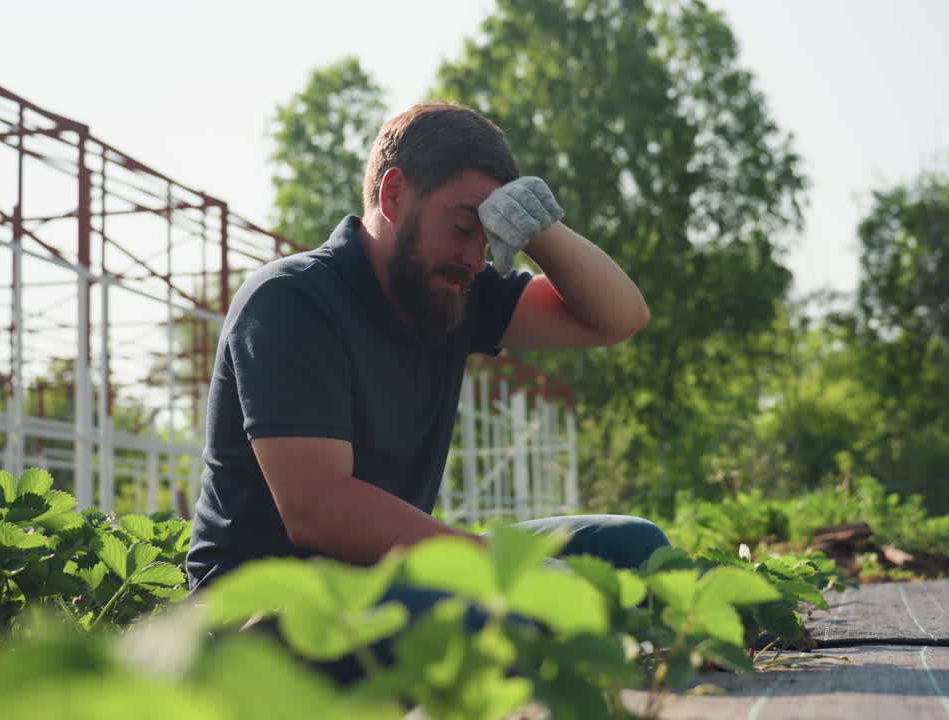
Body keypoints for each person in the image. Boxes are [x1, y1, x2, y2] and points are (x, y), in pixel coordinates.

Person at [185, 102, 670, 677]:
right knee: (500, 616)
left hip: (388, 580)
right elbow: (318, 508)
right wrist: (492, 565)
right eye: (465, 226)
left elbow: (618, 317)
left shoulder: (452, 293)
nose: (476, 257)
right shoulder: (291, 301)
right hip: (267, 615)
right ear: (393, 197)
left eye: (490, 234)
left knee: (638, 551)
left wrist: (543, 232)